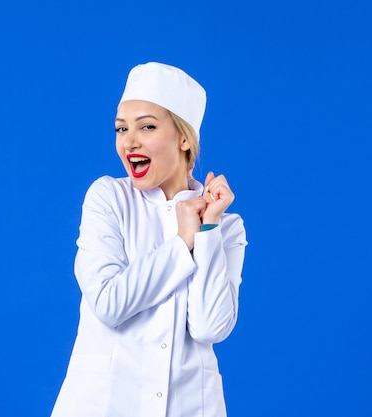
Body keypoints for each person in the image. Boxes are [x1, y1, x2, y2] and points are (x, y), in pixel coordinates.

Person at [50, 62, 247, 417]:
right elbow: (109, 303)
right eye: (121, 128)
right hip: (103, 404)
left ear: (184, 138)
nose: (129, 141)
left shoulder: (226, 226)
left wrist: (206, 231)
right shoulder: (108, 198)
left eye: (147, 127)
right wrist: (182, 240)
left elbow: (209, 327)